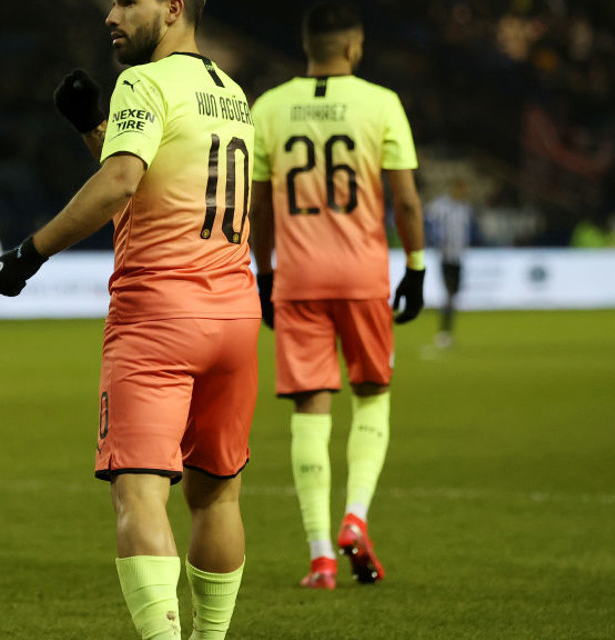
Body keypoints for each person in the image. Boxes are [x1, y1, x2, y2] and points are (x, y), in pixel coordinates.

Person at [0, 1, 258, 638]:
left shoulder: (144, 80)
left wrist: (29, 254)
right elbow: (161, 183)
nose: (111, 14)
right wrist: (94, 126)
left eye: (127, 1)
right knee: (217, 494)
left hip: (159, 316)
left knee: (140, 494)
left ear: (172, 8)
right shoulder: (232, 92)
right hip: (234, 317)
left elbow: (121, 184)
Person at [249, 1, 426, 590]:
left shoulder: (269, 107)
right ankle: (355, 518)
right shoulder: (381, 104)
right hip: (361, 278)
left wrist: (266, 274)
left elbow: (260, 206)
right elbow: (404, 201)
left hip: (298, 280)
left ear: (308, 45)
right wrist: (417, 267)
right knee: (373, 394)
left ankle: (321, 556)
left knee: (309, 407)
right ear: (353, 47)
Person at [425, 178, 472, 349]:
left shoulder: (464, 208)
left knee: (454, 294)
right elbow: (428, 221)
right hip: (446, 256)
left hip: (459, 256)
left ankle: (446, 333)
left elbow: (467, 230)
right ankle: (444, 333)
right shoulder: (441, 206)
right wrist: (435, 240)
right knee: (449, 293)